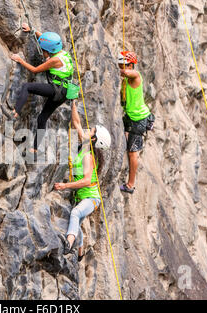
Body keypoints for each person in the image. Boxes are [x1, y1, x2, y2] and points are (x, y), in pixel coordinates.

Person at [54, 100, 111, 261]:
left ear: (93, 140)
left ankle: (68, 243)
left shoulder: (88, 156)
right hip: (84, 197)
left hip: (91, 198)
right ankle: (80, 253)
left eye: (91, 131)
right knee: (76, 223)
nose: (88, 130)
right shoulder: (86, 145)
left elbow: (86, 181)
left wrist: (65, 185)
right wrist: (73, 105)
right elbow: (77, 123)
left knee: (76, 213)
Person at [11, 23, 74, 154]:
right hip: (65, 92)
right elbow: (47, 41)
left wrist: (20, 60)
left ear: (48, 51)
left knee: (27, 87)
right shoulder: (63, 53)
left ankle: (16, 111)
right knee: (42, 118)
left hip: (57, 90)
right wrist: (32, 30)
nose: (42, 51)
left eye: (43, 50)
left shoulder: (54, 60)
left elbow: (34, 70)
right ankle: (34, 148)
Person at [118, 51, 152, 194]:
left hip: (138, 119)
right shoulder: (126, 78)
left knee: (133, 153)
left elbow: (129, 73)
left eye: (123, 64)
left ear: (131, 65)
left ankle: (130, 185)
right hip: (131, 116)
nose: (121, 67)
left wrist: (120, 69)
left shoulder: (135, 76)